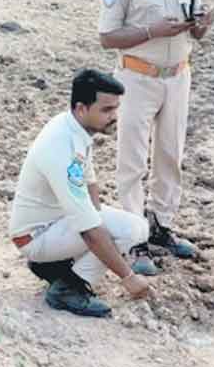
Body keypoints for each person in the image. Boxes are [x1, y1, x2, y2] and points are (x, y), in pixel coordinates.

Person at [97, 0, 214, 273]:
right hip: (136, 77)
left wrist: (201, 26)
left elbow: (194, 28)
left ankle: (162, 226)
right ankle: (134, 239)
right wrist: (151, 31)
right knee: (132, 160)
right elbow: (107, 37)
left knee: (170, 155)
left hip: (178, 75)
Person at [8, 69, 154, 318]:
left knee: (130, 227)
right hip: (36, 236)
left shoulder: (73, 127)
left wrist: (99, 218)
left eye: (116, 108)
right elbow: (89, 230)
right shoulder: (61, 145)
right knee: (126, 231)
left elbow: (89, 181)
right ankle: (67, 288)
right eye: (106, 110)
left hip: (53, 223)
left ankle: (58, 267)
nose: (114, 117)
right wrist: (128, 277)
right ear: (81, 108)